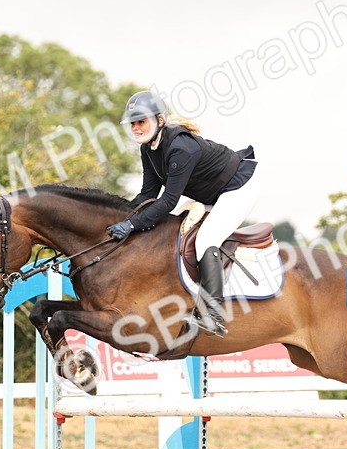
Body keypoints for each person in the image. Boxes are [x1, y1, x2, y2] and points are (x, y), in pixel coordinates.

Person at [108, 90, 260, 338]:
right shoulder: (149, 148)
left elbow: (168, 201)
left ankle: (213, 315)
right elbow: (148, 193)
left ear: (159, 120)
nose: (136, 128)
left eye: (141, 122)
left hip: (238, 188)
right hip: (211, 193)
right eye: (133, 123)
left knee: (205, 240)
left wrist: (132, 224)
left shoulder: (181, 147)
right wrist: (123, 218)